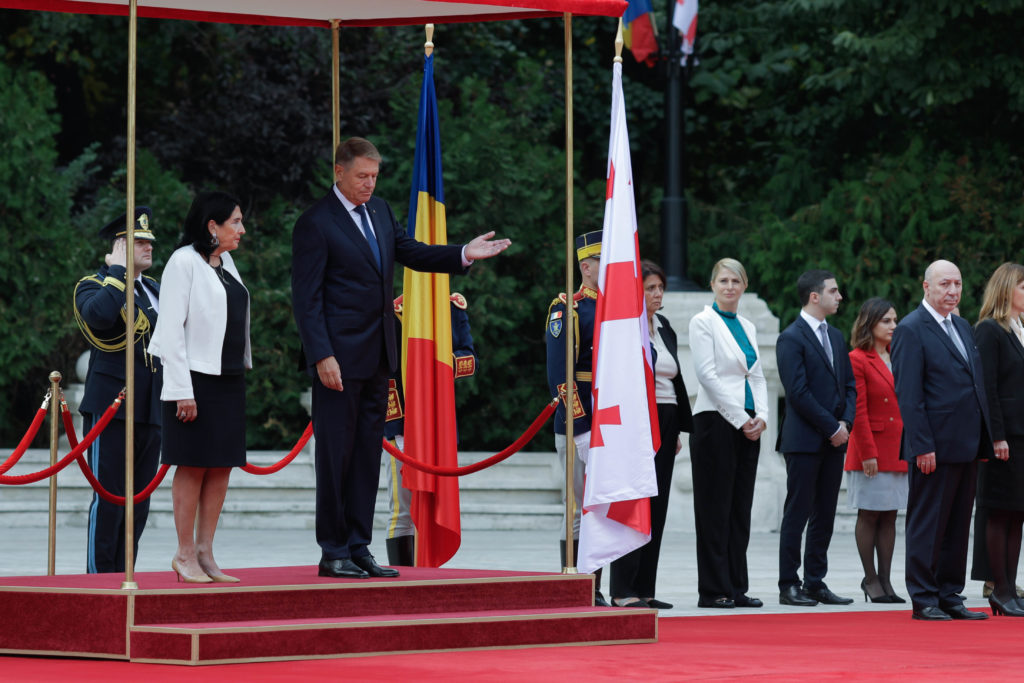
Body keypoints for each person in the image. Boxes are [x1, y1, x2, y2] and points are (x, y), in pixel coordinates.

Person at [291, 136, 510, 580]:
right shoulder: (315, 223)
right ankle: (332, 549)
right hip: (336, 361)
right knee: (336, 457)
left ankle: (358, 545)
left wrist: (463, 253)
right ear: (339, 172)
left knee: (368, 457)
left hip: (378, 357)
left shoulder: (380, 212)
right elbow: (306, 299)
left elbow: (411, 252)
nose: (369, 184)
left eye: (374, 176)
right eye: (361, 176)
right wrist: (321, 356)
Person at [148, 191, 251, 584]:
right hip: (194, 379)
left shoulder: (226, 263)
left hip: (228, 378)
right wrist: (181, 390)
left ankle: (206, 551)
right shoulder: (182, 261)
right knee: (191, 465)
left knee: (221, 466)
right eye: (235, 222)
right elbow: (170, 329)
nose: (241, 229)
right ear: (212, 226)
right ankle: (184, 552)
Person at [892, 259, 993, 621]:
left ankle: (950, 593)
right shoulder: (910, 329)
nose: (952, 291)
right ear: (926, 286)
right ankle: (924, 597)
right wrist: (922, 445)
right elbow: (909, 394)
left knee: (956, 523)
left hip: (966, 443)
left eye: (958, 285)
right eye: (945, 284)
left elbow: (976, 386)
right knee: (928, 522)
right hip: (932, 446)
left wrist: (985, 438)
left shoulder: (963, 326)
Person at [73, 208, 162, 573]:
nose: (148, 248)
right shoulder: (92, 285)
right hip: (111, 407)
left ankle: (126, 574)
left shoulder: (155, 289)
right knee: (109, 498)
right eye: (138, 242)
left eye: (149, 242)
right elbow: (99, 318)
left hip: (150, 408)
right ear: (119, 247)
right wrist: (117, 272)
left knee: (138, 502)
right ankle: (100, 580)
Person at [609, 260, 694, 609]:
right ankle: (622, 589)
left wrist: (675, 429)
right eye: (651, 288)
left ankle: (645, 587)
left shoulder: (665, 326)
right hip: (638, 422)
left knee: (657, 506)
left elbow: (674, 379)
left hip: (667, 419)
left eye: (661, 288)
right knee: (635, 502)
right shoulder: (628, 330)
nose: (658, 294)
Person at [686, 258, 767, 609]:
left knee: (739, 508)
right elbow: (707, 375)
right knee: (714, 509)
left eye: (736, 280)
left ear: (744, 285)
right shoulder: (703, 321)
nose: (730, 286)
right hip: (715, 421)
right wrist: (739, 418)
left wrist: (761, 416)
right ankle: (713, 589)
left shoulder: (747, 325)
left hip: (747, 424)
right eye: (723, 280)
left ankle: (736, 586)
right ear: (713, 285)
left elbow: (758, 375)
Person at [776, 269, 856, 607]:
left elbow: (849, 386)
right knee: (798, 511)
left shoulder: (836, 337)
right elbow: (798, 392)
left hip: (835, 439)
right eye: (834, 291)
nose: (839, 297)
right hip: (805, 440)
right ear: (814, 296)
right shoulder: (791, 337)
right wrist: (832, 427)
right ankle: (788, 583)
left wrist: (846, 422)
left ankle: (815, 581)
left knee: (825, 512)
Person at [382, 292, 477, 566]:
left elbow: (470, 359)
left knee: (437, 504)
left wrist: (440, 361)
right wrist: (394, 427)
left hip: (438, 422)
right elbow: (384, 375)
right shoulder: (392, 310)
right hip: (403, 424)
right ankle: (401, 583)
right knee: (401, 511)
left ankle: (429, 576)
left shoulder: (452, 307)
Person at [545, 230, 608, 606]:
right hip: (579, 421)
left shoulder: (620, 308)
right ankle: (576, 586)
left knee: (603, 509)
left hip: (610, 420)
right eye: (602, 260)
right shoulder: (568, 307)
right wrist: (579, 425)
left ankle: (597, 587)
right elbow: (559, 375)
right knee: (578, 508)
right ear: (586, 266)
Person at [844, 297, 907, 603]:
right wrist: (868, 452)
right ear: (869, 323)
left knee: (890, 517)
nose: (894, 326)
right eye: (887, 321)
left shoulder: (899, 355)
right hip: (870, 449)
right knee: (869, 515)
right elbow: (858, 410)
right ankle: (870, 580)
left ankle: (886, 580)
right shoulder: (857, 358)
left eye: (895, 320)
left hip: (897, 447)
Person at [972, 263, 1024, 616]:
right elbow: (986, 388)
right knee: (1000, 512)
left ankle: (1010, 587)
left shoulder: (1020, 329)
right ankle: (999, 589)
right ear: (1006, 289)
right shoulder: (990, 330)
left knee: (1017, 513)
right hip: (1005, 437)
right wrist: (996, 436)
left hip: (1023, 436)